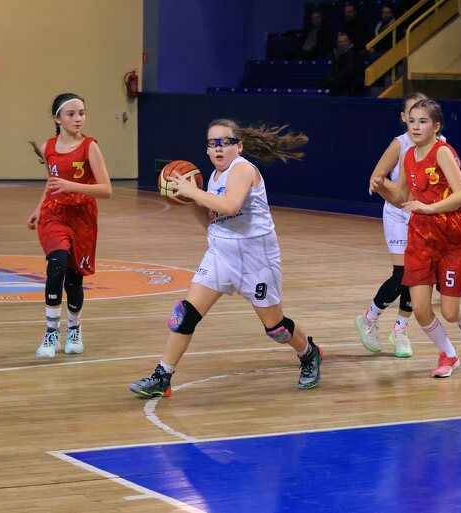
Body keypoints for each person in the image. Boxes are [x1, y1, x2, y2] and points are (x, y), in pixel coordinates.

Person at [129, 119, 321, 397]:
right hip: (220, 256)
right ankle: (162, 377)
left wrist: (195, 192)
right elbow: (213, 223)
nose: (218, 148)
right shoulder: (213, 178)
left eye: (225, 142)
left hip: (256, 261)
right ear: (207, 150)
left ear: (239, 146)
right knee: (184, 315)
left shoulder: (242, 169)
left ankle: (309, 353)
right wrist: (190, 200)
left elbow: (230, 207)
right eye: (212, 143)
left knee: (276, 328)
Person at [369, 99, 461, 378]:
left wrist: (429, 208)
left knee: (449, 312)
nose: (416, 127)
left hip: (451, 238)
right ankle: (449, 354)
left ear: (436, 126)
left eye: (423, 121)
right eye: (412, 121)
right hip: (420, 237)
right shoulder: (408, 155)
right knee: (419, 308)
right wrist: (382, 187)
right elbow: (403, 197)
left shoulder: (442, 152)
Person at [27, 93, 112, 358]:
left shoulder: (90, 146)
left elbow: (106, 189)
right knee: (57, 267)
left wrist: (71, 185)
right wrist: (39, 207)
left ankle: (74, 328)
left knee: (74, 280)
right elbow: (52, 183)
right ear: (57, 119)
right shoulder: (48, 147)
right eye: (71, 114)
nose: (78, 119)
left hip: (82, 217)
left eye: (81, 113)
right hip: (54, 214)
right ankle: (51, 333)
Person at [355, 92, 427, 358]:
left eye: (423, 115)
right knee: (403, 273)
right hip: (398, 214)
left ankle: (400, 329)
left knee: (417, 275)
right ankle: (369, 318)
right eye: (412, 115)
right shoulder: (400, 144)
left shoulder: (440, 144)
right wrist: (381, 184)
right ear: (404, 118)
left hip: (423, 215)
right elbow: (377, 175)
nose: (417, 122)